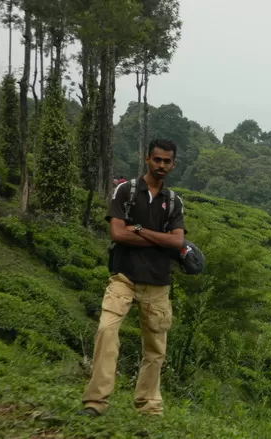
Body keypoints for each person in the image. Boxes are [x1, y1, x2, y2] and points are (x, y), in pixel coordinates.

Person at [78, 139, 185, 417]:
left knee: (155, 349)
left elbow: (178, 242)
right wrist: (160, 239)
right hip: (124, 277)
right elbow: (117, 233)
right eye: (157, 160)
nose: (162, 165)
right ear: (147, 159)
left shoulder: (173, 202)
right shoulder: (125, 191)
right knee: (106, 330)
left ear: (173, 164)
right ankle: (95, 402)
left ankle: (149, 407)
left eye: (167, 161)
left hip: (158, 283)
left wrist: (139, 230)